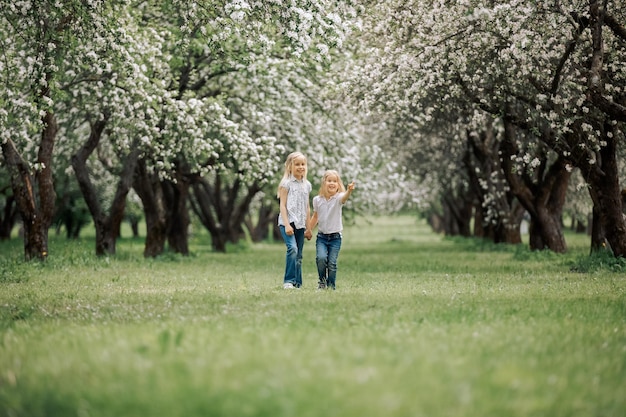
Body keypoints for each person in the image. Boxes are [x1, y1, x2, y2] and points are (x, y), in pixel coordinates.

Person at [308, 170, 355, 290]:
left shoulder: (338, 198)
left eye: (335, 181)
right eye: (329, 181)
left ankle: (331, 285)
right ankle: (322, 282)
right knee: (321, 258)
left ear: (338, 185)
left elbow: (344, 198)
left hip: (335, 238)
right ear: (324, 183)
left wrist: (349, 191)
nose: (332, 183)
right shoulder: (317, 200)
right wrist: (309, 230)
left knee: (332, 263)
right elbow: (315, 216)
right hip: (322, 237)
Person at [277, 152, 312, 289]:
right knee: (292, 249)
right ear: (290, 167)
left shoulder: (306, 185)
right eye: (297, 164)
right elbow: (282, 206)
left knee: (299, 254)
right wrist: (286, 225)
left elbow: (307, 207)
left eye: (303, 164)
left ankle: (298, 283)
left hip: (300, 224)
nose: (300, 167)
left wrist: (308, 228)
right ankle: (288, 281)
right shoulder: (286, 184)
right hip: (287, 222)